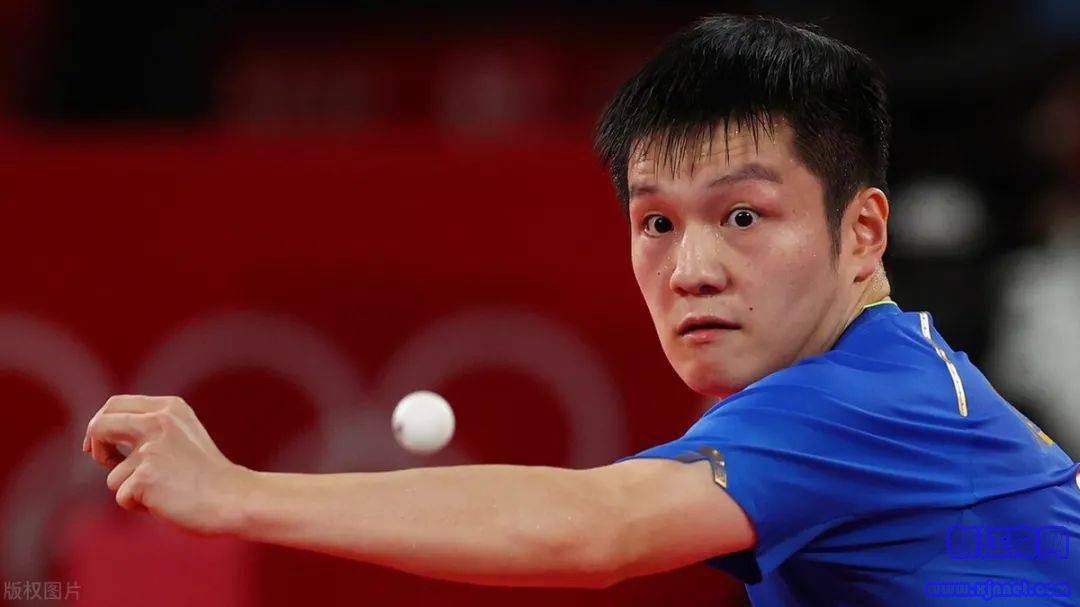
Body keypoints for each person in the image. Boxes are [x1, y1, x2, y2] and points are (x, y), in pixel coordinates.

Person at [82, 14, 1080, 605]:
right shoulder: (895, 381)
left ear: (861, 232)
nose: (692, 269)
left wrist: (237, 492)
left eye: (742, 215)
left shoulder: (863, 400)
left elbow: (594, 528)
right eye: (656, 223)